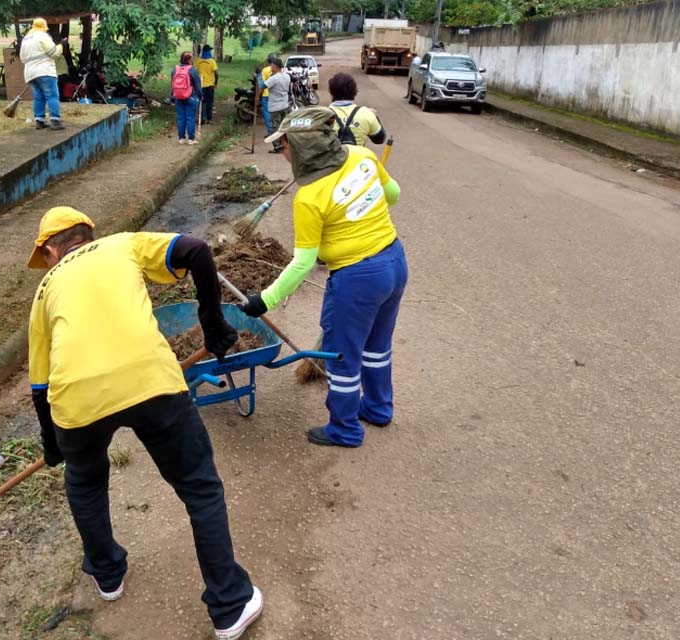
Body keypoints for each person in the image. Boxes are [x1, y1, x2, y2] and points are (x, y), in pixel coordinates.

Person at [27, 206, 264, 639]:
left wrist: (52, 442)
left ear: (49, 250)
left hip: (76, 401)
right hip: (149, 381)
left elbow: (40, 385)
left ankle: (107, 574)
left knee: (85, 480)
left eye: (42, 256)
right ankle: (230, 605)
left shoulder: (44, 291)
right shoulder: (123, 244)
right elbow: (195, 250)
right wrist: (213, 324)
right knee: (198, 486)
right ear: (88, 234)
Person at [237, 108, 407, 449]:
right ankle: (377, 408)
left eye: (283, 145)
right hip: (394, 262)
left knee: (342, 356)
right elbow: (393, 195)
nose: (281, 151)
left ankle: (344, 429)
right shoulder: (362, 155)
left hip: (357, 278)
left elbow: (303, 263)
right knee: (377, 346)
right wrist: (360, 203)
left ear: (299, 149)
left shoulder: (310, 197)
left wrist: (264, 300)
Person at [20, 18, 65, 130]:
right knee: (52, 96)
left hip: (30, 73)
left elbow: (22, 58)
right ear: (43, 27)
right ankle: (55, 120)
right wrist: (61, 46)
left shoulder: (26, 39)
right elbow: (53, 53)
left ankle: (39, 121)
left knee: (38, 97)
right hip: (45, 71)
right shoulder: (42, 36)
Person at [327, 72, 386, 147]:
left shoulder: (321, 115)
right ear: (354, 91)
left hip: (333, 158)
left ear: (331, 92)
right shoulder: (366, 113)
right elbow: (379, 139)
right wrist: (375, 117)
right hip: (358, 157)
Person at [171, 51, 202, 145]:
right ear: (189, 59)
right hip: (191, 97)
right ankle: (191, 139)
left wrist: (172, 98)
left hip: (178, 97)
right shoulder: (192, 70)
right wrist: (200, 96)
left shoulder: (175, 69)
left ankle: (181, 138)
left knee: (181, 117)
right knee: (190, 118)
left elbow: (172, 85)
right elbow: (198, 86)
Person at [261, 57, 291, 154]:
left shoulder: (273, 78)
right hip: (285, 105)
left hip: (275, 107)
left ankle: (277, 146)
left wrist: (257, 97)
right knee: (285, 126)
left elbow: (263, 86)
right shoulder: (287, 76)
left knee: (275, 127)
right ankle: (287, 144)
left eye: (272, 65)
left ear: (275, 66)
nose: (270, 67)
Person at [196, 44, 219, 125]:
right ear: (209, 51)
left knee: (202, 102)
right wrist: (216, 83)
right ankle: (209, 119)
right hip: (210, 85)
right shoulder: (212, 62)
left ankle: (202, 118)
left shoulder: (198, 61)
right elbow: (216, 73)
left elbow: (195, 72)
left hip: (200, 85)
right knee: (209, 102)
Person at [254, 56, 276, 135]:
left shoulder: (265, 70)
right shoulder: (278, 69)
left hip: (266, 95)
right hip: (274, 94)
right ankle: (276, 129)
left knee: (267, 113)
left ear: (268, 62)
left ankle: (270, 131)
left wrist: (257, 96)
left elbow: (262, 85)